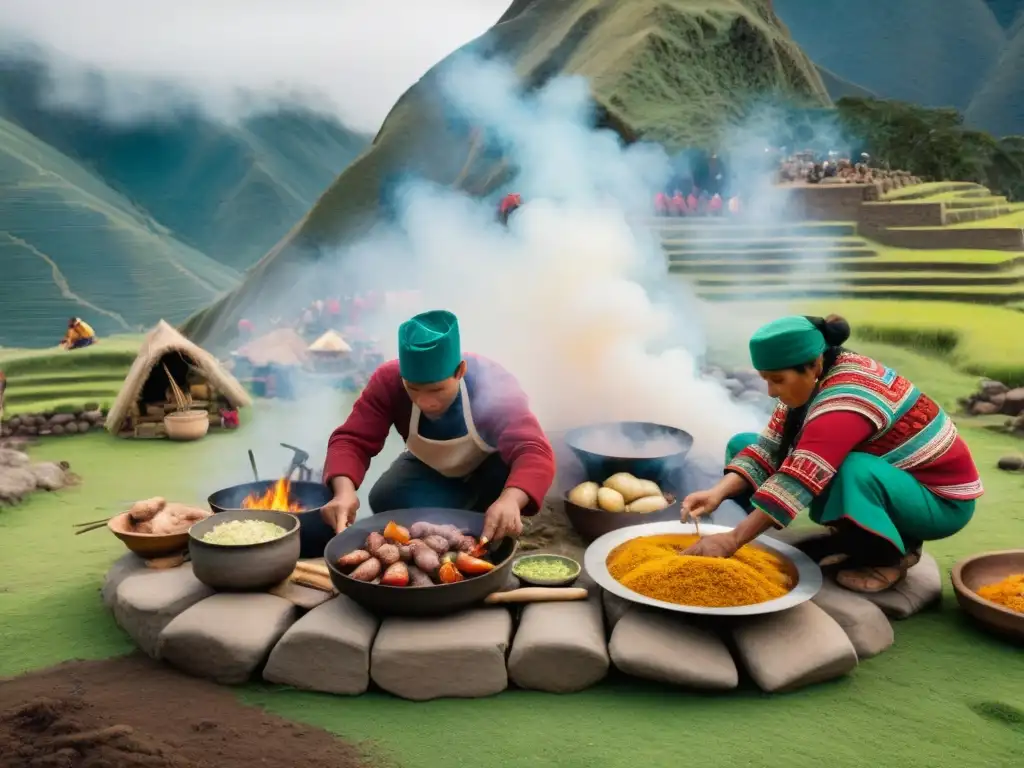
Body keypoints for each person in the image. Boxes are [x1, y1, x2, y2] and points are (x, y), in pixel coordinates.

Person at [681, 315, 982, 594]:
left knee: (851, 471)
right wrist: (716, 493)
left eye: (777, 380)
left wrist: (733, 540)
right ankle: (846, 537)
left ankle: (889, 556)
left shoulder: (847, 400)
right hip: (894, 480)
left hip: (939, 502)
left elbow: (798, 479)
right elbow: (769, 447)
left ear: (813, 364)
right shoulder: (815, 377)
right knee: (743, 443)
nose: (771, 392)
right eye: (766, 379)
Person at [299, 309, 556, 558]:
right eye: (413, 389)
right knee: (385, 498)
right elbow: (351, 440)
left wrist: (511, 499)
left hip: (493, 470)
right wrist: (343, 492)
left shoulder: (492, 383)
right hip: (432, 467)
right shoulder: (388, 382)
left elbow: (532, 450)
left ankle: (488, 516)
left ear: (460, 371)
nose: (425, 402)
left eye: (436, 390)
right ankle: (455, 515)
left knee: (498, 507)